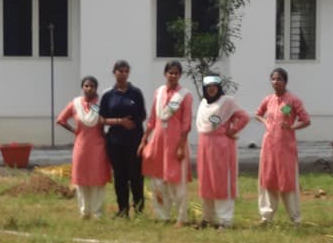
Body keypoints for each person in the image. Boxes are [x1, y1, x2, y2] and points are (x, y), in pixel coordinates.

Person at [137, 60, 193, 226]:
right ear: (165, 74)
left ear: (180, 75)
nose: (173, 76)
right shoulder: (159, 92)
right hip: (158, 142)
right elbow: (153, 119)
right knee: (158, 181)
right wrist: (143, 140)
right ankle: (163, 216)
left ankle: (181, 218)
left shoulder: (185, 95)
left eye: (176, 73)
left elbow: (186, 123)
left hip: (176, 143)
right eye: (170, 72)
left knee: (177, 181)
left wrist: (182, 146)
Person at [254, 67, 311, 225]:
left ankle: (295, 218)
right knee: (268, 180)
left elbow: (306, 120)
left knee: (287, 182)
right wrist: (265, 122)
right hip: (269, 147)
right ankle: (266, 217)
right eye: (273, 79)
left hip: (286, 147)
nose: (276, 82)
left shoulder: (293, 100)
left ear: (285, 81)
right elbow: (257, 113)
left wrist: (292, 127)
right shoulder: (268, 99)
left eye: (279, 79)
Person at [195, 74, 250, 229]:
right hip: (204, 147)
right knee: (206, 182)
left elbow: (244, 117)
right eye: (208, 86)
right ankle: (208, 218)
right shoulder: (203, 103)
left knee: (221, 182)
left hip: (221, 148)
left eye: (214, 86)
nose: (211, 89)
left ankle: (225, 221)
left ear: (219, 87)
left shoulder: (227, 102)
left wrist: (233, 131)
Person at [56, 76, 111, 219]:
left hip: (98, 146)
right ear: (82, 87)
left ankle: (97, 212)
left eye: (92, 86)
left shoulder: (100, 104)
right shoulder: (75, 104)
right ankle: (85, 212)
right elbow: (61, 119)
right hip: (81, 146)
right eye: (86, 86)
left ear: (96, 88)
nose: (89, 88)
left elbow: (107, 120)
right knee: (81, 180)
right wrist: (74, 131)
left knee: (97, 179)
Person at [98, 60, 146, 218]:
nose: (123, 74)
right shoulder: (108, 95)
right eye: (120, 71)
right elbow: (101, 119)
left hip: (134, 141)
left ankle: (139, 210)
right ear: (114, 72)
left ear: (129, 73)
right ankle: (122, 210)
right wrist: (120, 121)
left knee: (135, 176)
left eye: (126, 71)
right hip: (115, 142)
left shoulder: (136, 93)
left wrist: (132, 124)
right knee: (120, 177)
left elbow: (143, 115)